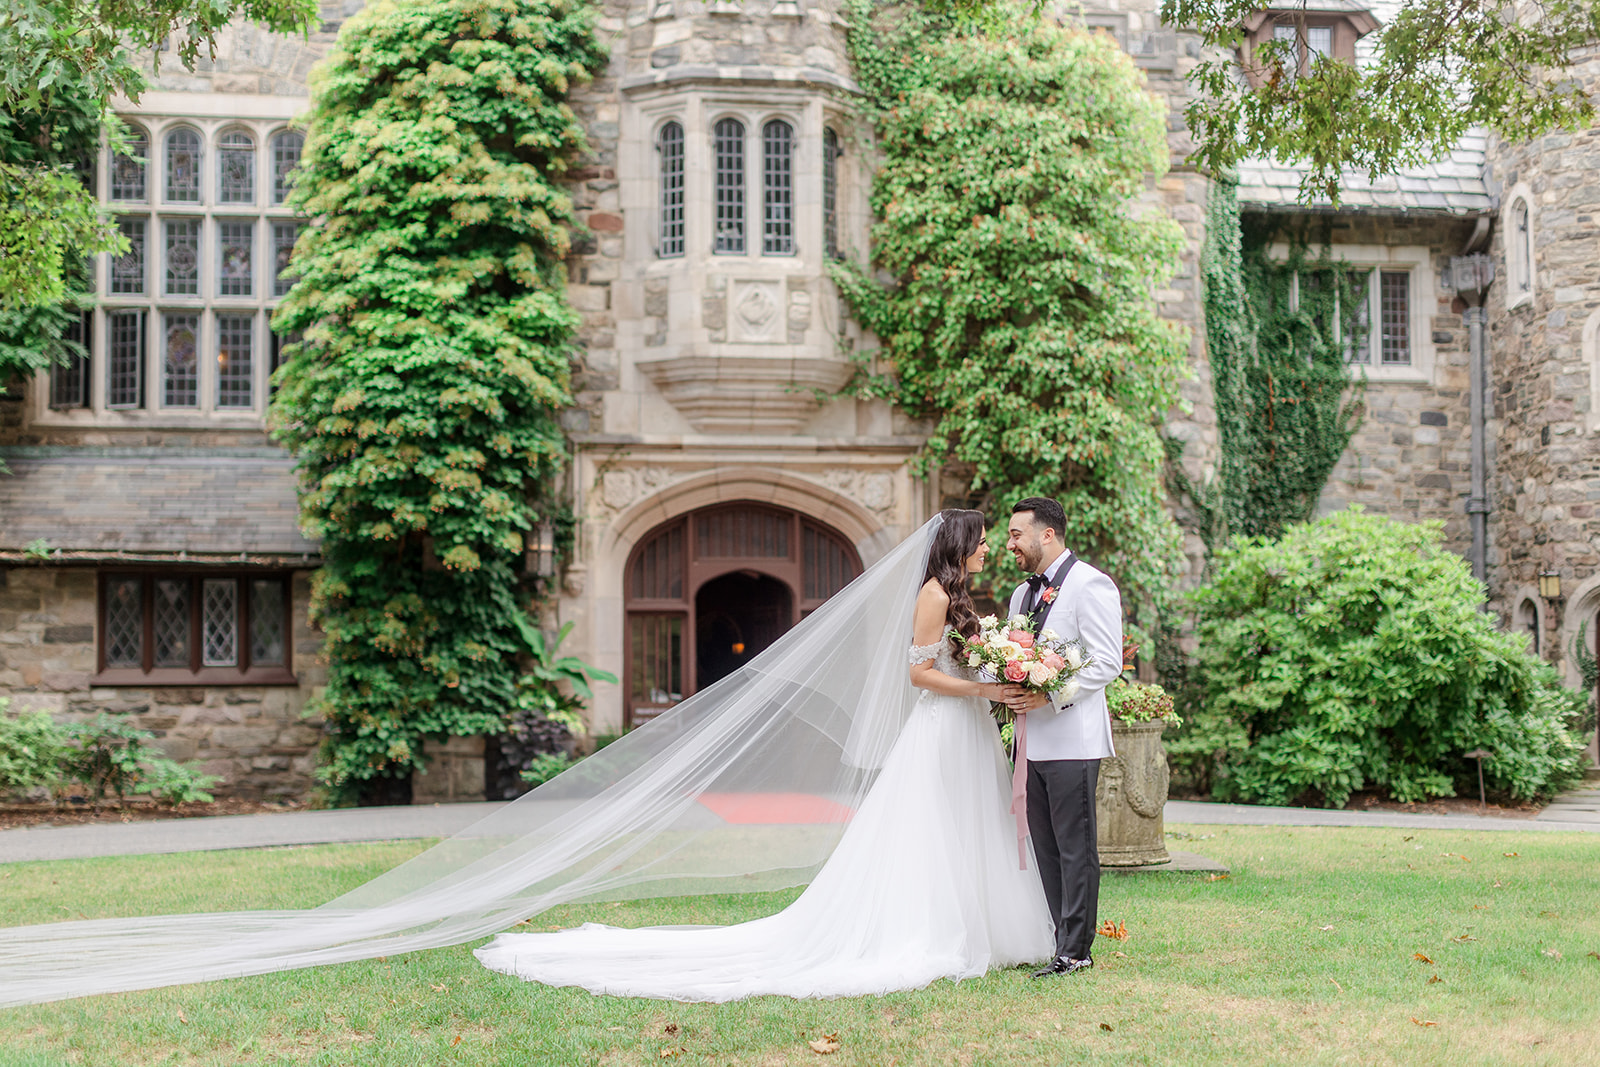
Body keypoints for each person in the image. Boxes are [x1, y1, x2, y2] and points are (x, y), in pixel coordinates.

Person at [472, 509, 1054, 999]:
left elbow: (958, 660)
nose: (987, 547)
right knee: (934, 827)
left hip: (967, 727)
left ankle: (984, 926)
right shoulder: (932, 594)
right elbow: (917, 674)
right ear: (958, 545)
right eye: (980, 539)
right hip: (941, 729)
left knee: (970, 823)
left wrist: (1001, 665)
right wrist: (985, 686)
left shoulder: (960, 596)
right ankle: (932, 929)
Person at [1001, 496, 1124, 978]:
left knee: (1075, 847)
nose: (1010, 543)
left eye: (1016, 534)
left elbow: (1107, 662)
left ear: (1045, 535)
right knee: (1045, 847)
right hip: (1028, 743)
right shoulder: (1019, 595)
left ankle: (1077, 950)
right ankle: (1058, 939)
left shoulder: (1091, 584)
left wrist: (1049, 696)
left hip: (1073, 740)